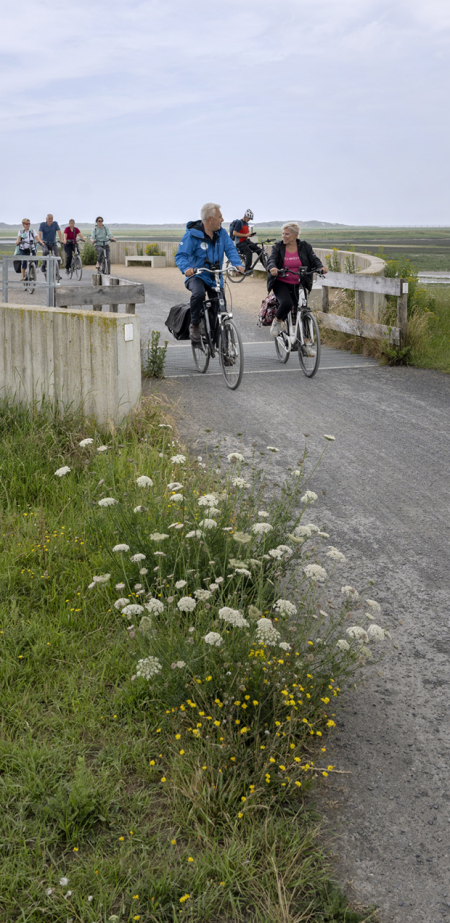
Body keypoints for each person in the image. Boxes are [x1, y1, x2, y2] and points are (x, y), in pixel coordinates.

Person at [175, 202, 244, 342]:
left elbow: (230, 249)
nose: (223, 220)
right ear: (210, 219)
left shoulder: (222, 233)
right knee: (199, 294)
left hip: (215, 277)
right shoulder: (192, 235)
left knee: (219, 308)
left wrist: (237, 264)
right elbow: (181, 255)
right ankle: (194, 324)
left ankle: (220, 344)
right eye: (220, 217)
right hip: (197, 275)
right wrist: (186, 268)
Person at [266, 222, 327, 337]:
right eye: (283, 234)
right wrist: (273, 268)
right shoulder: (278, 247)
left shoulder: (305, 246)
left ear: (295, 235)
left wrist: (320, 267)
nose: (283, 236)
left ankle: (307, 342)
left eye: (287, 234)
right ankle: (277, 321)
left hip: (299, 283)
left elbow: (314, 259)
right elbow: (272, 259)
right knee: (287, 303)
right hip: (281, 282)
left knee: (303, 310)